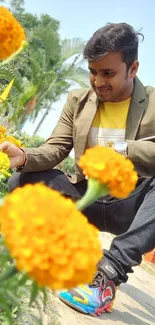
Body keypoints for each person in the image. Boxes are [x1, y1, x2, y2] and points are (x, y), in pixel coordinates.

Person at [0, 22, 155, 317]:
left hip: (131, 206)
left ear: (132, 68)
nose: (98, 81)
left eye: (107, 73)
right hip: (85, 198)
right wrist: (22, 156)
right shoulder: (77, 100)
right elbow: (56, 148)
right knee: (24, 180)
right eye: (93, 72)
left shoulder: (153, 103)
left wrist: (124, 149)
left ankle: (108, 274)